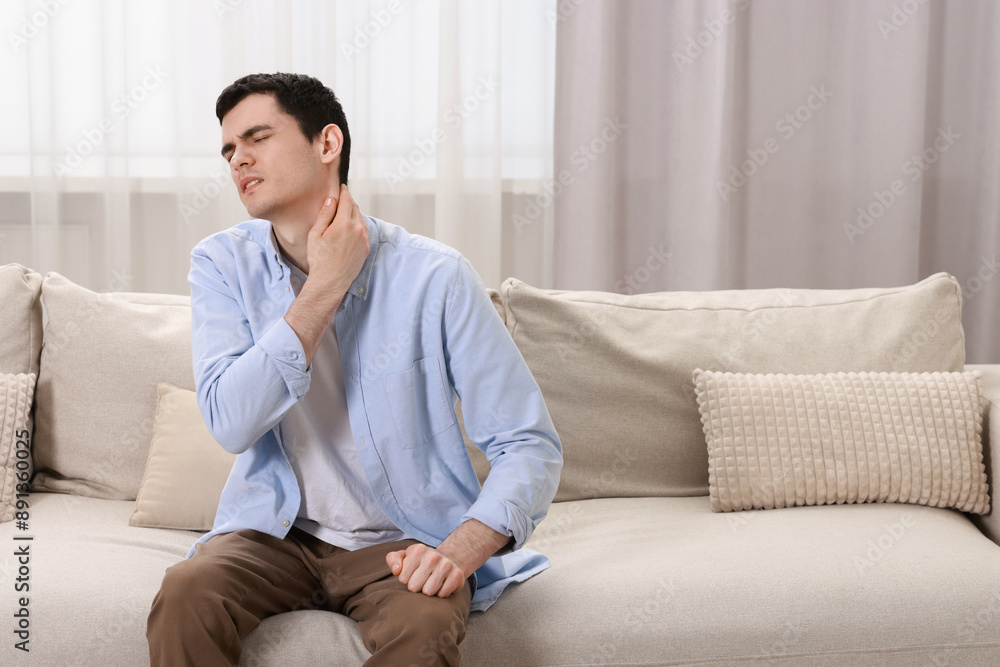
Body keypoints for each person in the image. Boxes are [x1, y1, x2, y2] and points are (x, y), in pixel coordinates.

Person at [145, 73, 562, 666]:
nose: (239, 159)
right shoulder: (220, 265)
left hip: (401, 541)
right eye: (229, 149)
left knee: (423, 627)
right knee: (187, 595)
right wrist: (324, 288)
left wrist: (461, 549)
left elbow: (529, 443)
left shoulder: (435, 276)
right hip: (274, 533)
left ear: (327, 143)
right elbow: (231, 424)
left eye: (257, 137)